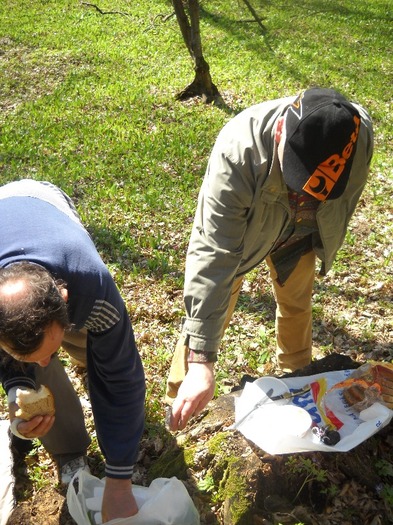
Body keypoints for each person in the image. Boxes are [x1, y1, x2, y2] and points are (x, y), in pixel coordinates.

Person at [165, 87, 374, 431]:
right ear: (282, 134)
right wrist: (202, 359)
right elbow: (212, 255)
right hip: (246, 235)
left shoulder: (358, 132)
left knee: (297, 303)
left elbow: (345, 200)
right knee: (214, 303)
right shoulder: (239, 150)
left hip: (303, 231)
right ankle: (178, 403)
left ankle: (298, 382)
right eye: (297, 176)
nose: (302, 190)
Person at [0, 179, 145, 522]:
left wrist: (119, 481)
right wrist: (16, 387)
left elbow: (122, 380)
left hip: (44, 202)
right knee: (39, 370)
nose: (46, 362)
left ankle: (81, 355)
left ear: (64, 300)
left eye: (49, 349)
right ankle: (69, 451)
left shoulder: (92, 287)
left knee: (98, 356)